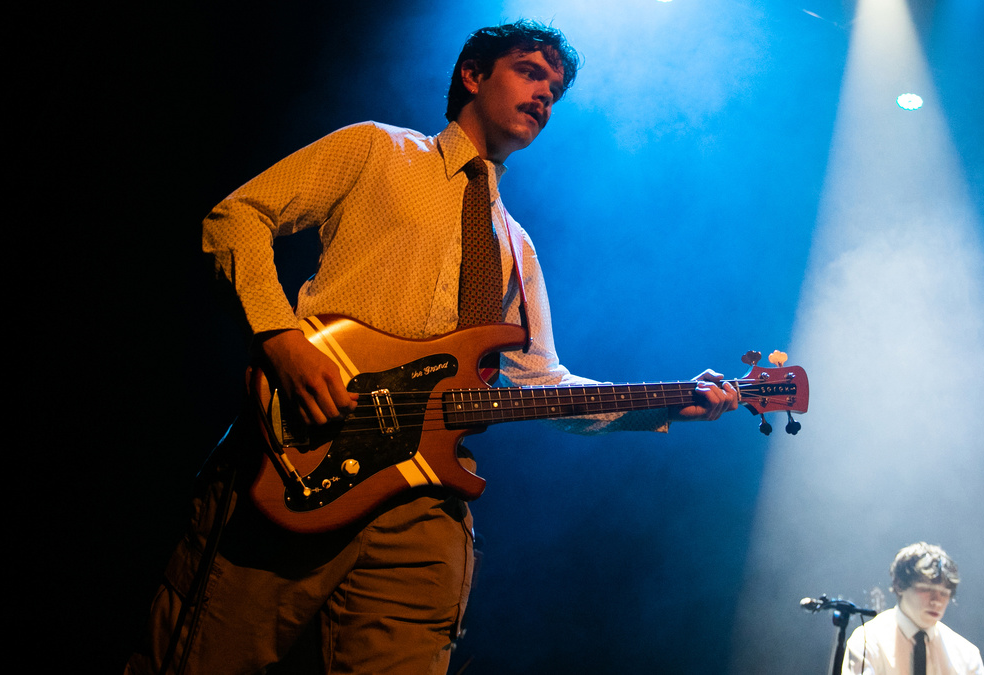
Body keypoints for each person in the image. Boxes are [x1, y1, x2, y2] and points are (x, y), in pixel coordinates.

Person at [125, 20, 738, 675]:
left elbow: (541, 383)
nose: (545, 97)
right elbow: (235, 218)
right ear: (474, 75)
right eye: (530, 73)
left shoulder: (516, 245)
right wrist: (280, 339)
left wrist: (667, 403)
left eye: (555, 91)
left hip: (422, 504)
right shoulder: (376, 150)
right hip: (304, 450)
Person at [841, 542, 984, 675]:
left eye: (944, 593)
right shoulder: (869, 641)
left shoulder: (966, 655)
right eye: (926, 589)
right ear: (899, 585)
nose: (936, 601)